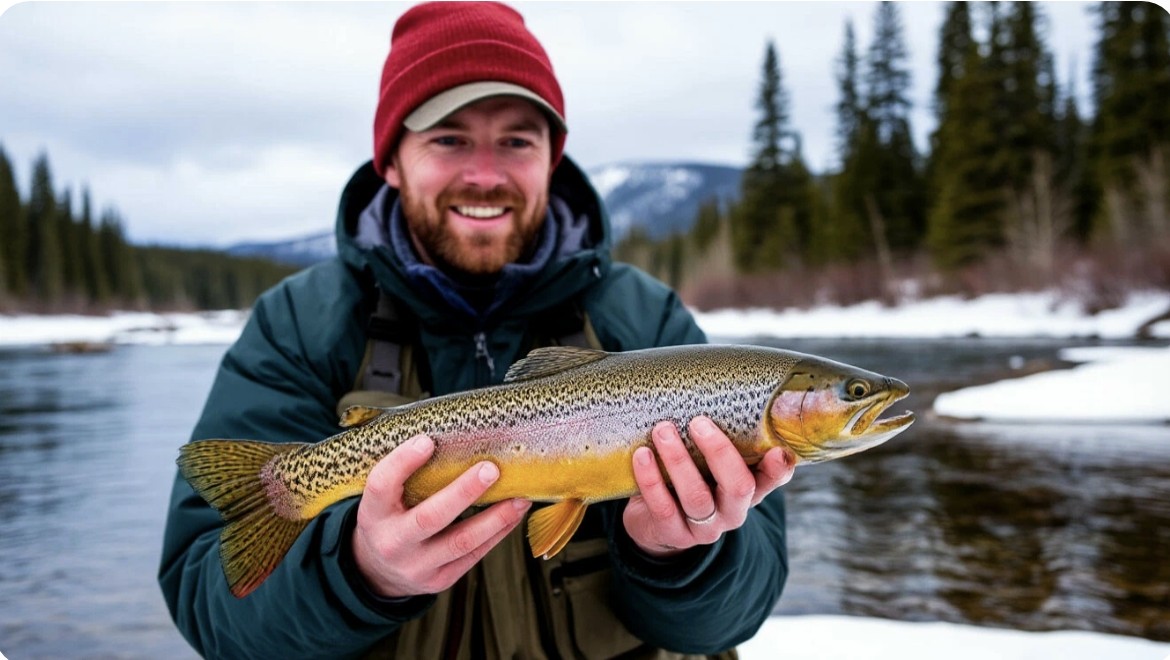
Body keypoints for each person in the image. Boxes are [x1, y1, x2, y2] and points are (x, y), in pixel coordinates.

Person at [159, 3, 793, 658]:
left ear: (552, 158)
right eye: (448, 138)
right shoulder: (300, 325)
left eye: (517, 140)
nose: (485, 175)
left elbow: (729, 621)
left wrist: (679, 556)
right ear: (392, 160)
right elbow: (215, 611)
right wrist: (358, 573)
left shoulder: (645, 320)